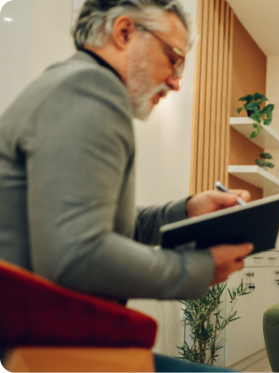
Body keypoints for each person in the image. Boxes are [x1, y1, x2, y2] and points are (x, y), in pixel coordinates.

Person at [0, 0, 252, 371]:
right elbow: (76, 255)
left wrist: (185, 210)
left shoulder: (71, 83)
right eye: (174, 57)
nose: (176, 80)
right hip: (35, 347)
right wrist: (197, 269)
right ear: (124, 32)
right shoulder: (90, 89)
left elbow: (96, 222)